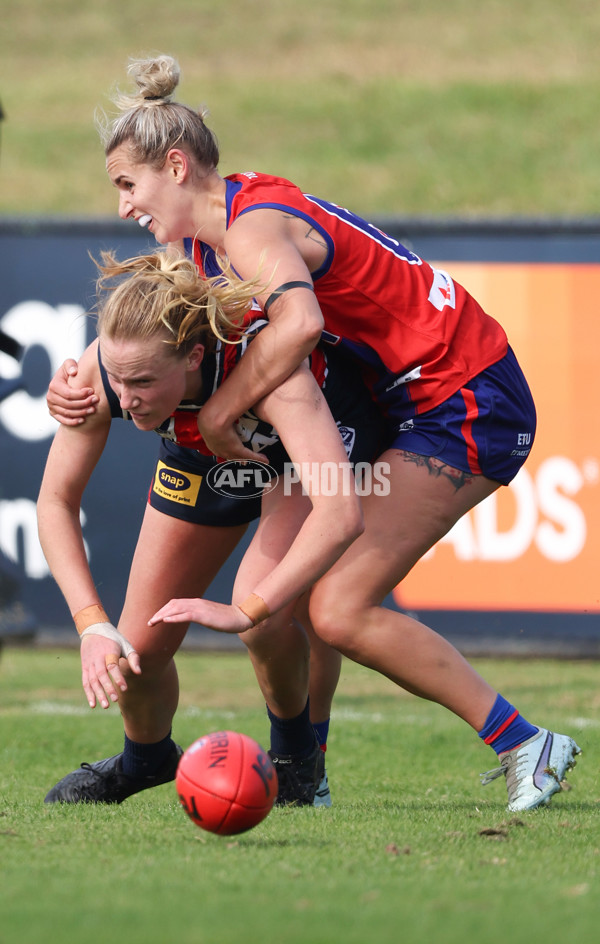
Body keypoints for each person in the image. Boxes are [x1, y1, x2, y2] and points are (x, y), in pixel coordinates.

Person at [47, 52, 581, 813]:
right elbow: (154, 330)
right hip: (406, 394)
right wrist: (79, 379)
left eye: (128, 184)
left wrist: (222, 412)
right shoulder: (199, 245)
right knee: (307, 604)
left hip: (458, 393)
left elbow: (299, 324)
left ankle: (523, 742)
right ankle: (300, 769)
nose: (123, 204)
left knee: (334, 606)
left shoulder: (250, 227)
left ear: (177, 166)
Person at [41, 249, 385, 808]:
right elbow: (55, 501)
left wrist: (245, 611)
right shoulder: (104, 373)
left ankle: (297, 762)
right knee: (134, 654)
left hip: (302, 455)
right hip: (201, 457)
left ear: (194, 356)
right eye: (117, 379)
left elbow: (340, 514)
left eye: (143, 382)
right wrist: (90, 624)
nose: (125, 399)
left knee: (262, 615)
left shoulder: (276, 378)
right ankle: (146, 759)